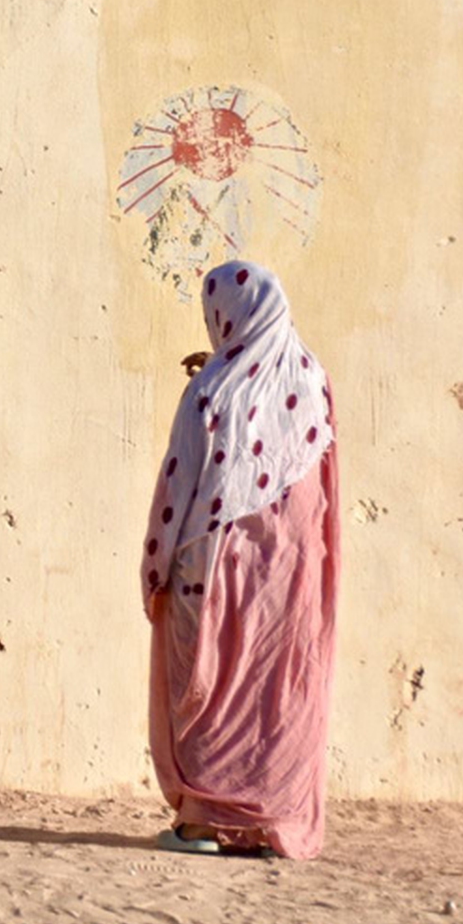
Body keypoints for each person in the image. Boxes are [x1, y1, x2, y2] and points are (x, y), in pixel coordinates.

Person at [141, 260, 341, 859]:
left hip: (213, 573)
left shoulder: (211, 391)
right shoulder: (312, 379)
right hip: (291, 575)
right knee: (272, 686)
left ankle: (204, 819)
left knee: (211, 683)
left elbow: (180, 488)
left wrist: (153, 568)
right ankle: (267, 817)